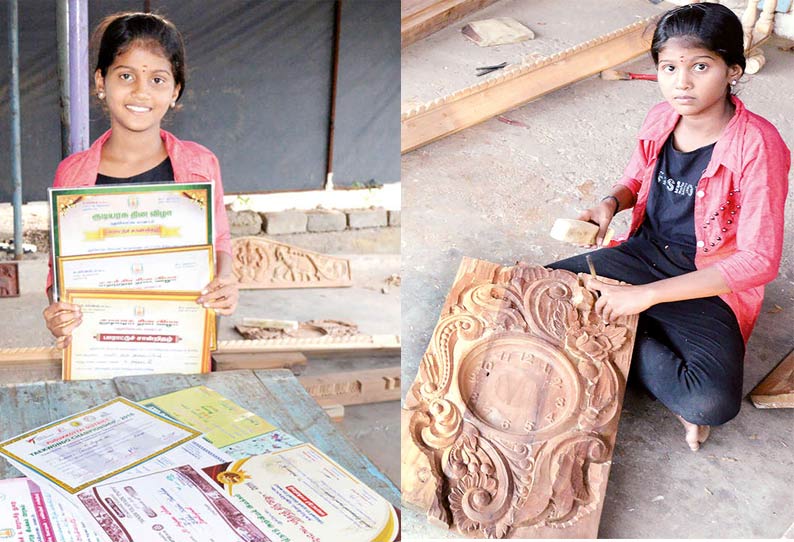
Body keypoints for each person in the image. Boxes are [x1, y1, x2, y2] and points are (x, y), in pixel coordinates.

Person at [550, 3, 790, 451]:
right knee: (542, 290)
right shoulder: (662, 117)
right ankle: (631, 324)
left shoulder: (759, 145)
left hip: (708, 282)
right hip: (642, 253)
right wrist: (610, 203)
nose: (682, 83)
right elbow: (636, 177)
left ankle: (623, 324)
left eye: (700, 66)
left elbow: (759, 261)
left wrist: (646, 296)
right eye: (669, 67)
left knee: (708, 402)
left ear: (733, 70)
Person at [43, 12, 239, 348]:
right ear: (101, 82)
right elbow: (59, 270)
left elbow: (219, 241)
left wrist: (225, 280)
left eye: (157, 80)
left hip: (181, 346)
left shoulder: (200, 165)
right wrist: (59, 313)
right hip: (102, 349)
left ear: (175, 90)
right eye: (126, 76)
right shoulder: (72, 174)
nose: (140, 91)